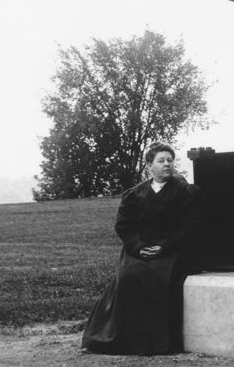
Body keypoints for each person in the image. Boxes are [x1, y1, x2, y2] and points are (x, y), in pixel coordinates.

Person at [81, 142, 200, 355]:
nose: (167, 164)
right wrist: (138, 248)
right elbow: (124, 226)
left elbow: (189, 227)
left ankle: (153, 344)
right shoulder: (134, 195)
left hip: (171, 251)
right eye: (161, 160)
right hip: (138, 251)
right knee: (128, 277)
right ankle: (120, 340)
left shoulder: (184, 192)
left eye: (170, 160)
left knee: (157, 280)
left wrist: (163, 247)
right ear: (149, 166)